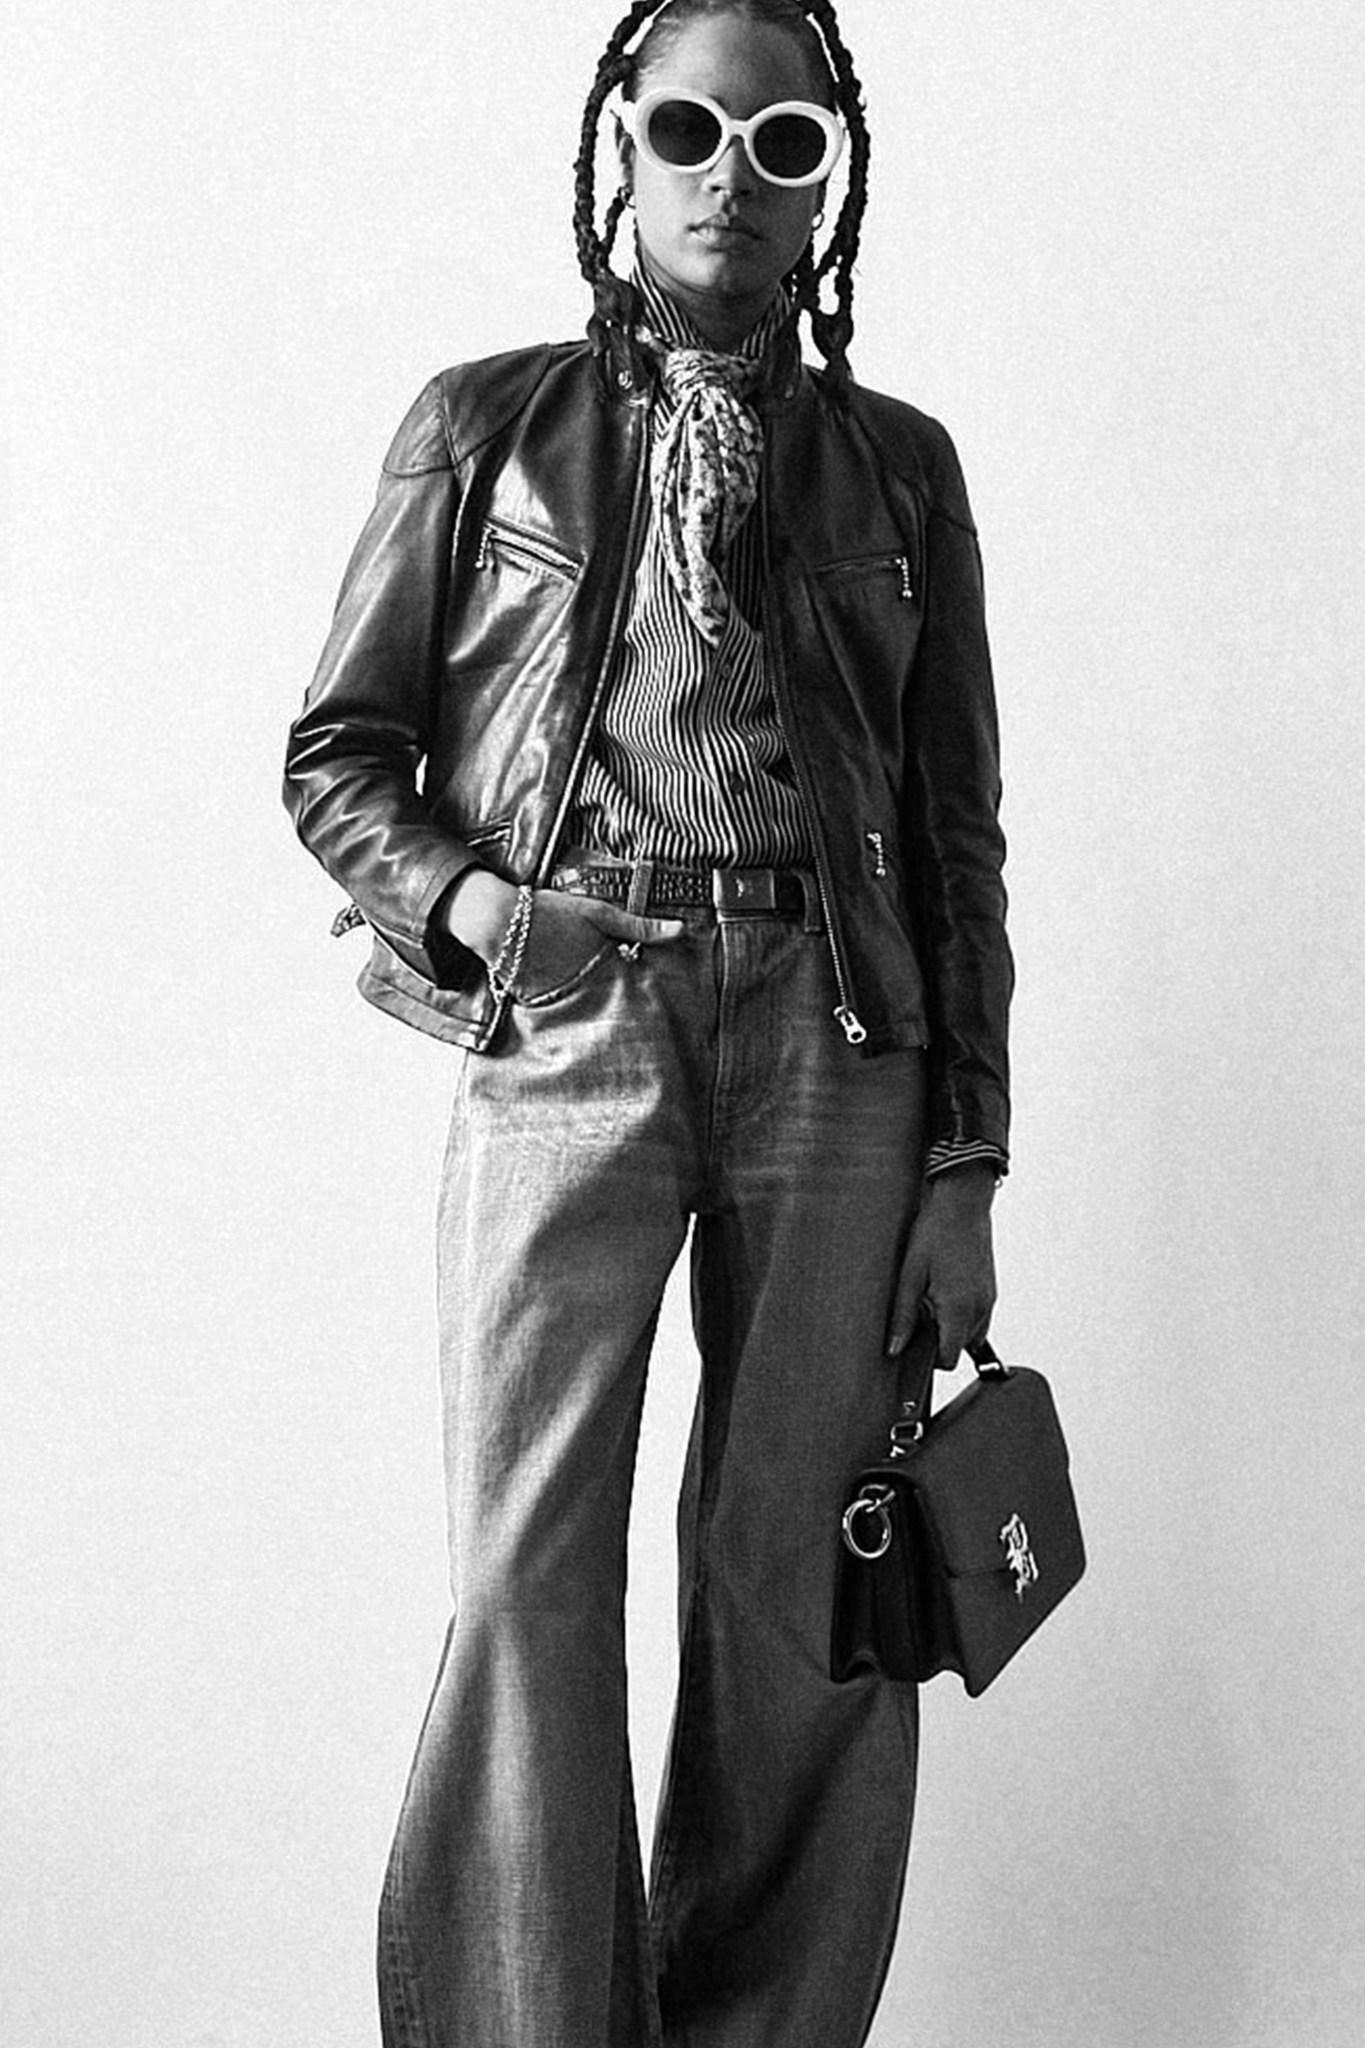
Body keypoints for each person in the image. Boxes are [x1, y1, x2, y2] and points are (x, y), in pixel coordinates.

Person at [284, 2, 1011, 2041]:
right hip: (570, 1022)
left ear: (827, 177)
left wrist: (968, 1156)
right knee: (521, 1580)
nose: (726, 175)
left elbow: (953, 838)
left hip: (839, 1053)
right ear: (620, 142)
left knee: (798, 1596)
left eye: (782, 141)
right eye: (686, 127)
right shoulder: (481, 424)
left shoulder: (899, 467)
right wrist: (477, 905)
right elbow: (339, 753)